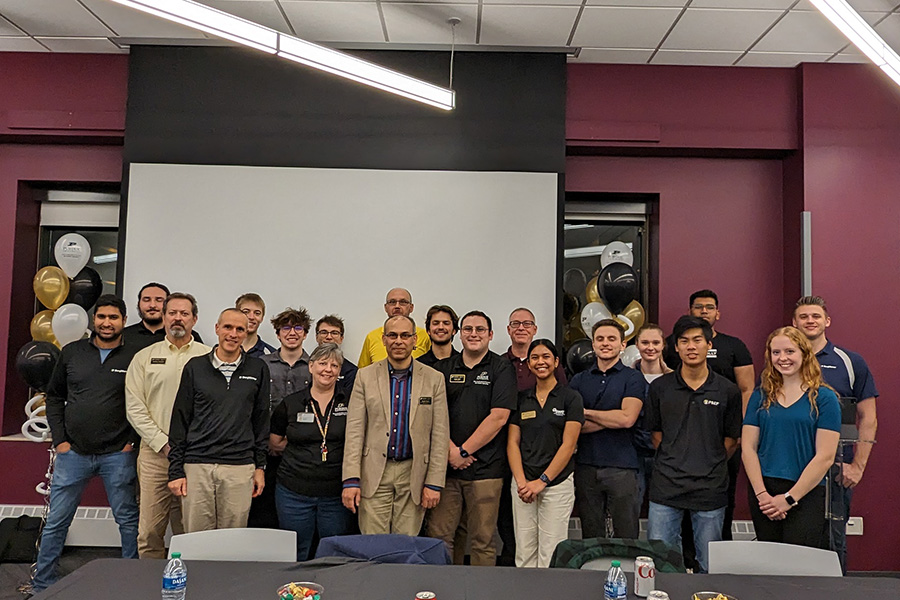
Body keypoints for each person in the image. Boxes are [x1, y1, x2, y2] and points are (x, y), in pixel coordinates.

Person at [35, 295, 140, 592]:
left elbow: (144, 402)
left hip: (118, 454)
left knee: (128, 521)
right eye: (102, 317)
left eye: (113, 317)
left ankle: (132, 581)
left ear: (124, 321)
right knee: (57, 521)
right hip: (74, 454)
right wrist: (60, 441)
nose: (107, 323)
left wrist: (131, 442)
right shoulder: (72, 352)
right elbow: (55, 397)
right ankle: (42, 583)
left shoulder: (135, 355)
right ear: (94, 320)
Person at [646, 316, 742, 574]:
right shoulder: (660, 388)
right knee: (660, 563)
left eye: (697, 340)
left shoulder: (728, 390)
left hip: (710, 489)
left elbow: (731, 441)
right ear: (676, 347)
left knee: (710, 566)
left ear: (708, 345)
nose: (691, 346)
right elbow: (656, 435)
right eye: (684, 341)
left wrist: (708, 461)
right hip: (666, 487)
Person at [663, 290, 754, 552]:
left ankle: (717, 555)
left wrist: (741, 430)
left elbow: (747, 388)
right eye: (699, 307)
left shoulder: (734, 346)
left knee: (721, 499)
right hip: (681, 440)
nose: (704, 311)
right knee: (677, 506)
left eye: (710, 307)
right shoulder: (672, 343)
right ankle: (685, 558)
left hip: (723, 436)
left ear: (718, 313)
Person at [341, 316, 449, 534]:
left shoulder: (434, 379)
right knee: (373, 545)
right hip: (374, 474)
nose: (398, 341)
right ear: (384, 340)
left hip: (414, 474)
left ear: (415, 340)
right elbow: (354, 431)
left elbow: (439, 434)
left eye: (405, 335)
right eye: (392, 335)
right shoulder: (365, 376)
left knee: (405, 546)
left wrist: (434, 482)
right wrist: (351, 479)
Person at [793, 296, 878, 571]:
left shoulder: (850, 362)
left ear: (827, 321)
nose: (810, 321)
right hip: (791, 466)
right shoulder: (782, 360)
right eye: (804, 316)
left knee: (833, 541)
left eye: (815, 316)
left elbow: (868, 417)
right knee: (792, 542)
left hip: (835, 469)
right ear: (794, 323)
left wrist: (858, 466)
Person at [167, 308, 270, 531]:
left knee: (232, 540)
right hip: (197, 465)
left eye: (239, 329)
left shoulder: (258, 368)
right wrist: (176, 470)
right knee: (196, 538)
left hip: (240, 466)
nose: (233, 334)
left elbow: (261, 421)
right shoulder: (195, 367)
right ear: (217, 328)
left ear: (246, 333)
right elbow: (180, 420)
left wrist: (260, 467)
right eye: (228, 327)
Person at [427, 311, 517, 566]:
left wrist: (464, 451)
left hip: (486, 471)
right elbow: (431, 416)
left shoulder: (502, 368)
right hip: (446, 471)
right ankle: (444, 586)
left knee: (482, 540)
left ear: (490, 335)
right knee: (440, 537)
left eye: (480, 330)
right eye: (468, 329)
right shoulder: (442, 369)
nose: (473, 334)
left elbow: (499, 417)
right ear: (459, 333)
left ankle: (481, 588)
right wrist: (451, 452)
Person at [125, 292, 210, 558]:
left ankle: (191, 579)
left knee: (192, 531)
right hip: (155, 455)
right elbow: (135, 407)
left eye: (184, 313)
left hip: (196, 455)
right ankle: (150, 580)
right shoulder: (144, 358)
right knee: (150, 531)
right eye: (172, 313)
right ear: (163, 318)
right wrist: (163, 444)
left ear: (194, 319)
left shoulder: (209, 357)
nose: (178, 318)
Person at [742, 326, 841, 548]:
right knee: (768, 561)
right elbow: (748, 448)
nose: (782, 358)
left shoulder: (825, 398)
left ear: (804, 354)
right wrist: (762, 495)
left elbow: (825, 456)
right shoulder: (760, 396)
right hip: (764, 492)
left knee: (799, 564)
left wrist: (789, 499)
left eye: (789, 351)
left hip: (806, 492)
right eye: (776, 352)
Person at [271, 344, 354, 559]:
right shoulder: (291, 403)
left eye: (334, 365)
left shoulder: (351, 402)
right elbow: (274, 442)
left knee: (333, 551)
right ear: (311, 366)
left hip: (335, 494)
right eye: (323, 363)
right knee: (296, 551)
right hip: (293, 493)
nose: (328, 370)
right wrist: (304, 451)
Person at [507, 339, 583, 568]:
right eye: (535, 358)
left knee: (551, 551)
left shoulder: (571, 398)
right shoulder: (522, 398)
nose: (541, 362)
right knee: (524, 551)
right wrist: (522, 482)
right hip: (523, 484)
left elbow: (568, 445)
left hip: (556, 484)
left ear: (556, 361)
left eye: (546, 356)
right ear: (529, 364)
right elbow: (512, 443)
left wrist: (542, 481)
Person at [569, 319, 645, 539]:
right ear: (593, 344)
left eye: (612, 339)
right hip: (586, 467)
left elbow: (627, 419)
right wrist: (612, 417)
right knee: (591, 535)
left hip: (622, 466)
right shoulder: (578, 380)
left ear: (623, 345)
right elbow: (573, 426)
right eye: (600, 339)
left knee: (626, 534)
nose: (605, 343)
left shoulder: (633, 378)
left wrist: (586, 412)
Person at [252, 307, 313, 528]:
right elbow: (254, 407)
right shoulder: (261, 364)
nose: (292, 333)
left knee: (296, 516)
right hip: (265, 450)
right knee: (263, 510)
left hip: (301, 452)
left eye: (298, 328)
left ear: (305, 334)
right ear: (277, 334)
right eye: (286, 328)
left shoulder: (314, 367)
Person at [630, 323, 672, 505]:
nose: (650, 347)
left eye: (655, 343)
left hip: (664, 454)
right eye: (645, 342)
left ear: (663, 345)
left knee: (665, 508)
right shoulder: (627, 378)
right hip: (632, 454)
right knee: (631, 506)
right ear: (637, 345)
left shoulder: (674, 380)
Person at [358, 288, 430, 368]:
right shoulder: (372, 337)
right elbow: (363, 370)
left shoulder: (424, 336)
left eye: (403, 302)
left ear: (411, 307)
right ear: (386, 307)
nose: (397, 306)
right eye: (392, 302)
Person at [505, 307, 567, 391]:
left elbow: (563, 394)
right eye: (515, 323)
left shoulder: (549, 365)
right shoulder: (499, 364)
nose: (521, 328)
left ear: (534, 329)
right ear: (509, 330)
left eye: (527, 324)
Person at [315, 315, 358, 396]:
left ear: (341, 338)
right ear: (317, 337)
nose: (329, 337)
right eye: (324, 332)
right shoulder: (306, 365)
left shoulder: (351, 371)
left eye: (334, 333)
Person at [122, 282, 169, 349]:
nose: (152, 305)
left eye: (159, 300)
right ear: (138, 304)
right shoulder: (123, 336)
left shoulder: (178, 336)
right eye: (146, 300)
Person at [236, 292, 276, 357]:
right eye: (246, 312)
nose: (251, 317)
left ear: (262, 318)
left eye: (257, 313)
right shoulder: (224, 350)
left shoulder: (271, 355)